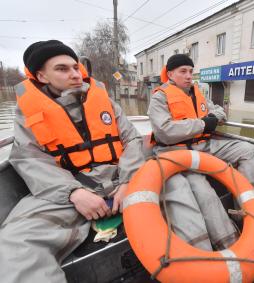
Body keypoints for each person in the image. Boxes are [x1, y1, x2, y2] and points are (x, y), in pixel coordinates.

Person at [0, 40, 145, 282]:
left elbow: (132, 140)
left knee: (181, 185)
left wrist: (130, 181)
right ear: (41, 75)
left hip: (119, 177)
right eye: (62, 69)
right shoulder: (28, 110)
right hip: (65, 188)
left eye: (75, 67)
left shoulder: (104, 100)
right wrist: (74, 193)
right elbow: (28, 157)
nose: (75, 74)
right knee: (16, 244)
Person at [148, 54, 254, 251]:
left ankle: (248, 215)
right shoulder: (159, 97)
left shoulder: (197, 92)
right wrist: (203, 124)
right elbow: (165, 132)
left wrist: (212, 118)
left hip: (205, 146)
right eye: (183, 71)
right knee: (205, 193)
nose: (188, 76)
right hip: (178, 152)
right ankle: (229, 245)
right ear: (170, 74)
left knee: (248, 151)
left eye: (191, 71)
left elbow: (220, 111)